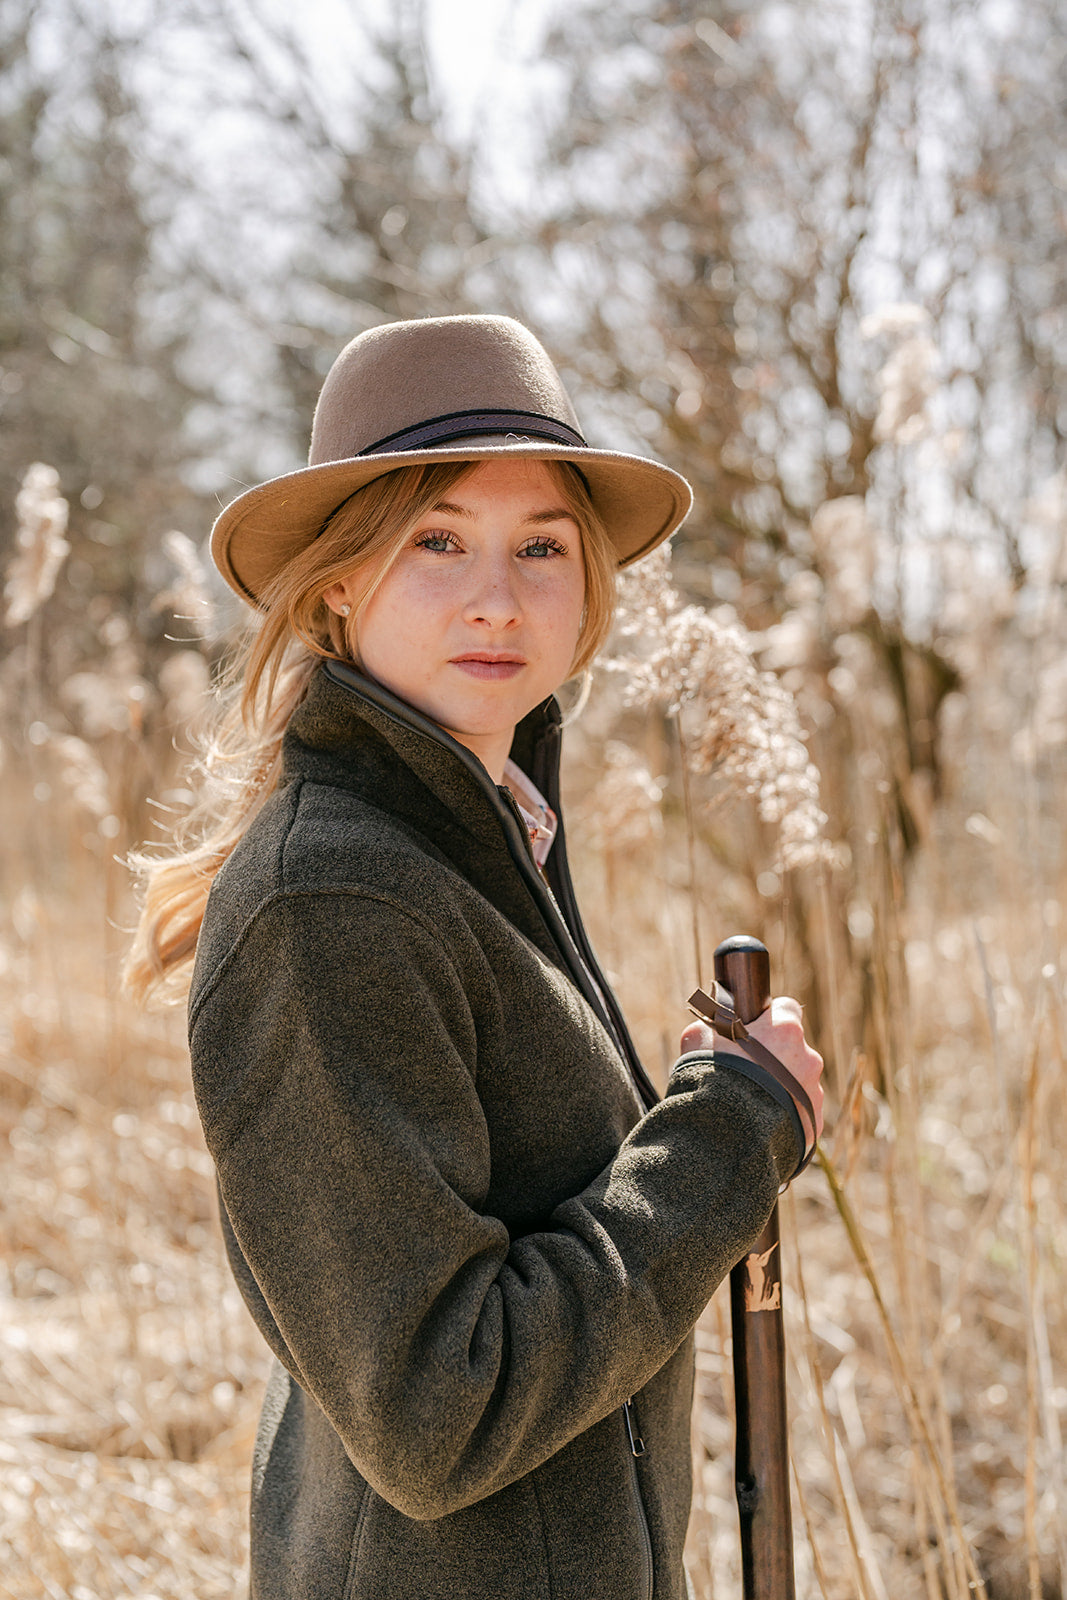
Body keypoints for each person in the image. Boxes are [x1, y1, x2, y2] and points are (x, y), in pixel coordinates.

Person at [126, 314, 823, 1600]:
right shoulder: (335, 897)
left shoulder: (479, 837)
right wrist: (726, 1137)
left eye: (540, 545)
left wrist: (699, 1116)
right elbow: (439, 1409)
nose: (498, 596)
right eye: (436, 539)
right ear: (339, 578)